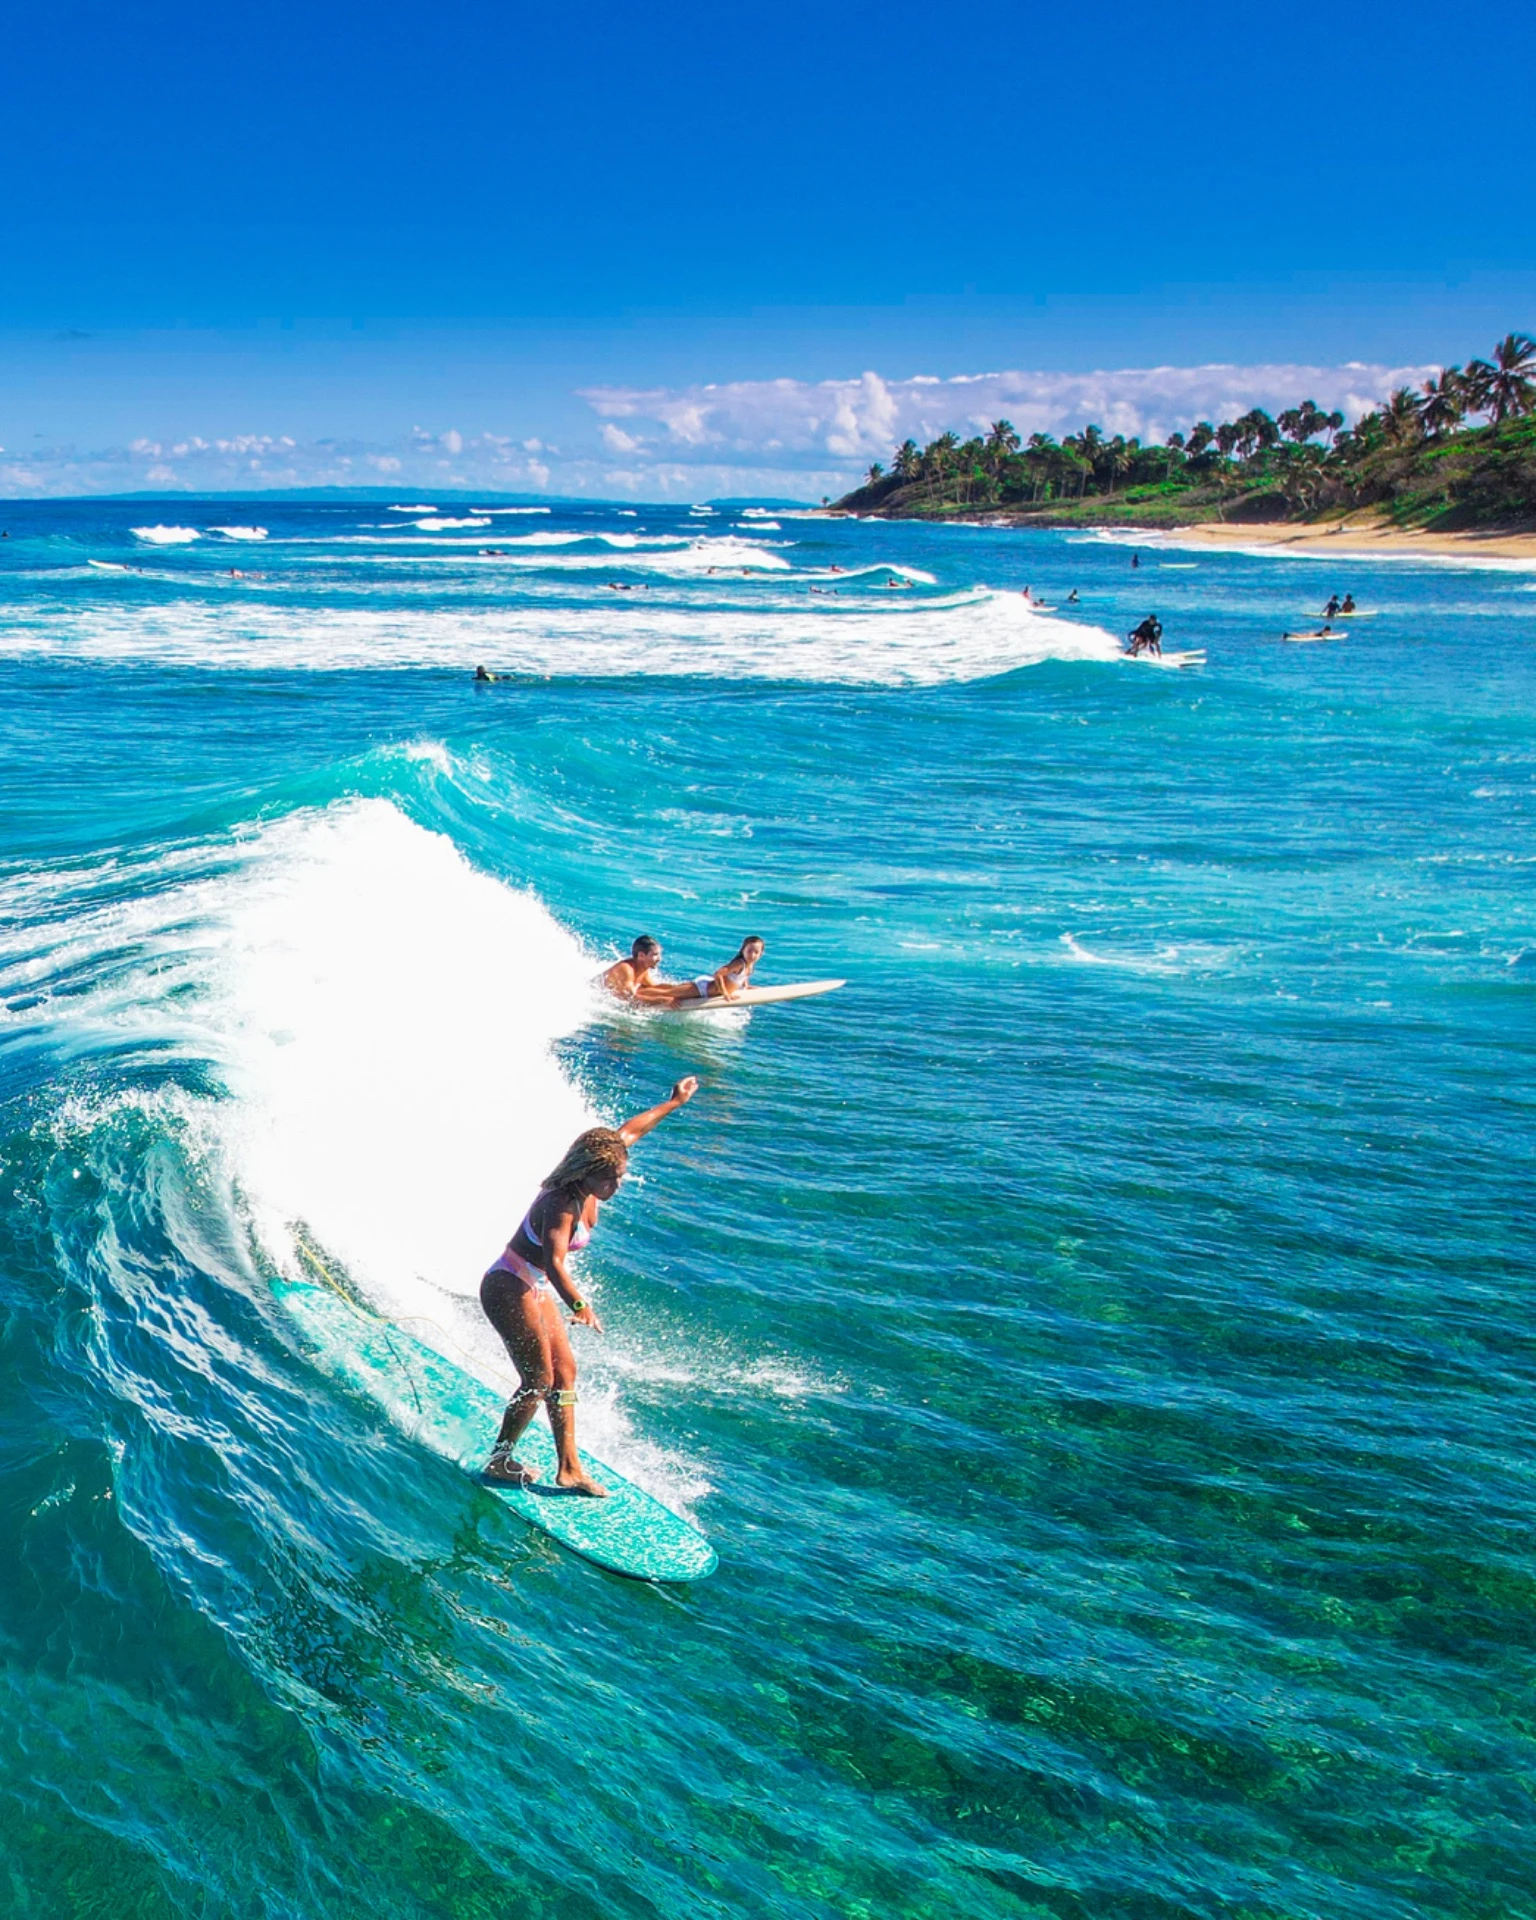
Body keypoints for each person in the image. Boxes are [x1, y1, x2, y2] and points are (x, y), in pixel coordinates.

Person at [480, 1078, 700, 1493]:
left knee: (565, 1373)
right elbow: (556, 1262)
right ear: (588, 1174)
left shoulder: (601, 1160)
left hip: (533, 1283)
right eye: (610, 1181)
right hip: (508, 1283)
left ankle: (569, 1468)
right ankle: (499, 1460)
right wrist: (579, 1305)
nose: (616, 1187)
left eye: (620, 1176)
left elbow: (630, 1132)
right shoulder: (561, 1203)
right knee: (538, 1379)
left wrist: (674, 1102)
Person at [675, 935, 765, 1003]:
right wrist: (725, 993)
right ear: (743, 950)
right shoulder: (739, 964)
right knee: (668, 993)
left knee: (673, 991)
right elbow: (718, 974)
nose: (752, 955)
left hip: (709, 992)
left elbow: (742, 983)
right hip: (703, 989)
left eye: (756, 952)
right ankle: (662, 998)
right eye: (749, 951)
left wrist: (756, 989)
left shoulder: (749, 966)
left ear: (761, 954)